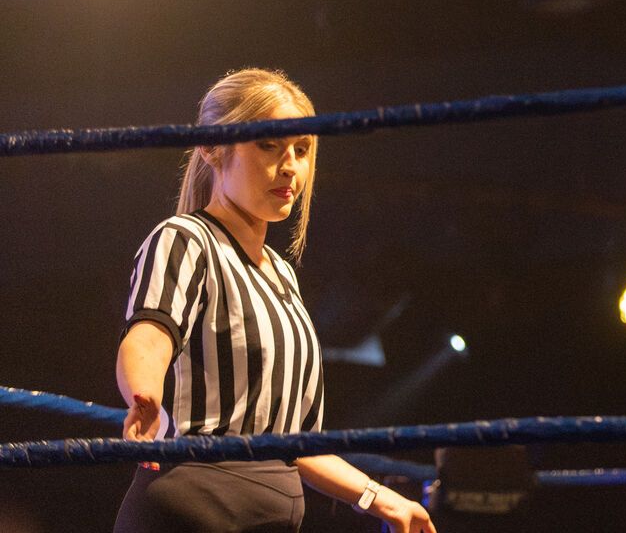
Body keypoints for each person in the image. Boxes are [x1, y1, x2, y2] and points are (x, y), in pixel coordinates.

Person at [114, 67, 435, 533]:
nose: (290, 165)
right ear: (211, 146)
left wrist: (379, 497)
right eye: (269, 144)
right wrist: (144, 394)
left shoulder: (283, 276)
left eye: (302, 150)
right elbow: (148, 335)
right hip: (194, 503)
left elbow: (295, 441)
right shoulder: (186, 239)